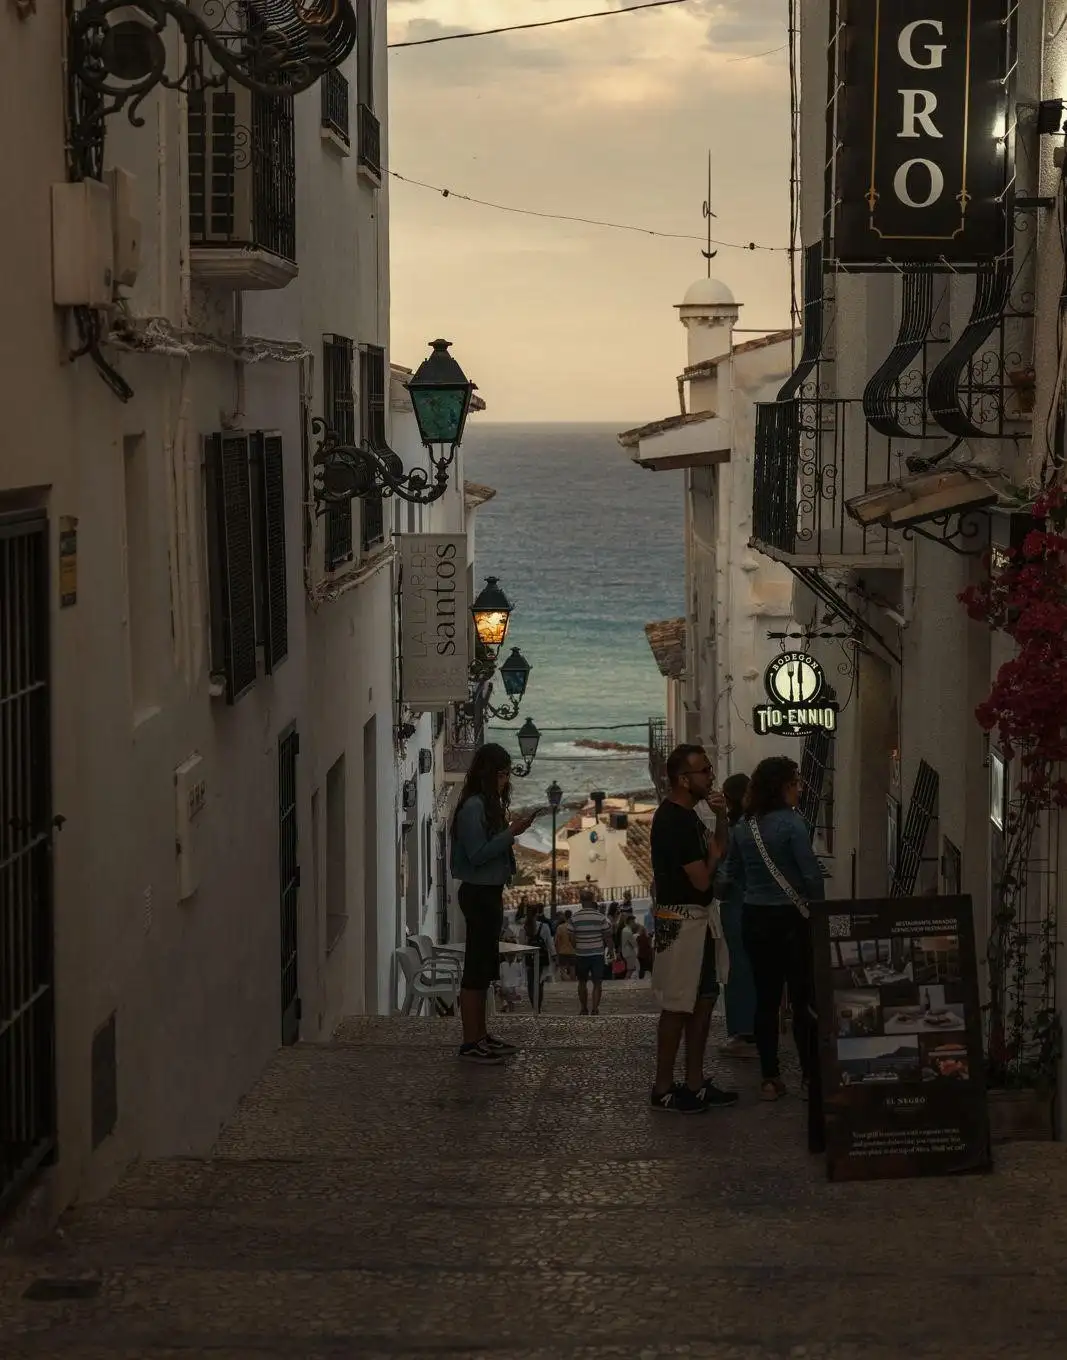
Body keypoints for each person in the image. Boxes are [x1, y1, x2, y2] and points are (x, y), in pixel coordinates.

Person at [720, 755, 825, 1101]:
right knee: (802, 998)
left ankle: (770, 1077)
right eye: (795, 783)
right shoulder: (792, 825)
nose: (800, 789)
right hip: (791, 919)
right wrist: (818, 909)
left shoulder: (743, 828)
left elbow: (730, 874)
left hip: (754, 917)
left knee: (765, 999)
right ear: (781, 788)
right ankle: (810, 1074)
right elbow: (809, 872)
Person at [649, 744, 739, 1114]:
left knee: (703, 1001)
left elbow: (719, 847)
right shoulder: (674, 820)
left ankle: (695, 1082)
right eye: (704, 771)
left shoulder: (692, 817)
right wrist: (714, 857)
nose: (711, 776)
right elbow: (703, 879)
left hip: (699, 922)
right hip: (681, 921)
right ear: (684, 780)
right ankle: (664, 1087)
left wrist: (721, 818)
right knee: (677, 1005)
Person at [450, 744, 536, 1063]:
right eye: (501, 774)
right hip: (477, 894)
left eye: (507, 774)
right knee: (475, 969)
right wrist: (510, 833)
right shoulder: (473, 807)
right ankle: (471, 1042)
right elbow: (477, 854)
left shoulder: (487, 804)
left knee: (484, 969)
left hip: (489, 892)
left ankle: (481, 1035)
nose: (504, 781)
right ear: (489, 774)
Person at [715, 773, 759, 1061]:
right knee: (753, 967)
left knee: (738, 968)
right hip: (757, 904)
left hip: (736, 905)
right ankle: (754, 1029)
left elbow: (724, 876)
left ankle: (743, 1033)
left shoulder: (735, 831)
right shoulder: (758, 826)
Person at [571, 888, 613, 1015]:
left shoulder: (575, 918)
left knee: (582, 982)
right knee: (597, 983)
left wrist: (577, 946)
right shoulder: (600, 917)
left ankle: (583, 1008)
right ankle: (595, 1009)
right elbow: (607, 936)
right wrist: (611, 949)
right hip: (597, 954)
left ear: (581, 901)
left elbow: (571, 937)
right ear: (592, 900)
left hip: (581, 954)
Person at [524, 902, 555, 1011]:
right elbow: (549, 944)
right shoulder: (544, 926)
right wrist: (554, 956)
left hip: (528, 959)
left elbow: (521, 944)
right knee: (539, 984)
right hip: (541, 959)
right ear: (537, 913)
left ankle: (534, 1006)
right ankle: (538, 1007)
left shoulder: (523, 927)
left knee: (531, 984)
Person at [555, 910, 576, 980]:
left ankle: (566, 982)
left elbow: (557, 942)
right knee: (573, 969)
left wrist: (557, 953)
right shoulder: (574, 927)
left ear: (564, 917)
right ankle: (572, 983)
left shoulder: (560, 927)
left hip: (562, 951)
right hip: (572, 951)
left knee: (562, 971)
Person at [619, 913, 639, 978]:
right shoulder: (628, 932)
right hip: (630, 953)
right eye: (633, 922)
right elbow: (634, 944)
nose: (634, 923)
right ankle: (626, 983)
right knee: (630, 970)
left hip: (625, 952)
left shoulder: (624, 929)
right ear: (631, 922)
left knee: (630, 970)